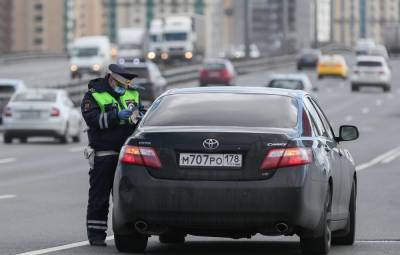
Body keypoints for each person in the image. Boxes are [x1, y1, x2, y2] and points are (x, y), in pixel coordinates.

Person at [81, 64, 143, 246]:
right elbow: (93, 120)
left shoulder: (133, 93)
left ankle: (129, 233)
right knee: (99, 197)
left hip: (129, 155)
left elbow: (142, 113)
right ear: (111, 79)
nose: (123, 88)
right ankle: (96, 235)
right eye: (120, 84)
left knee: (127, 197)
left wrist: (141, 116)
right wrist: (117, 116)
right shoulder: (93, 95)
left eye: (125, 85)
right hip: (104, 154)